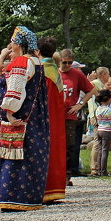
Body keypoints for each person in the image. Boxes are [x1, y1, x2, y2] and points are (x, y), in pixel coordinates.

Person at [0, 27, 50, 212]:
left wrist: (8, 111)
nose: (11, 46)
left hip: (19, 116)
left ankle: (11, 197)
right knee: (31, 154)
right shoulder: (37, 62)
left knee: (14, 155)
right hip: (35, 118)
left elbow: (15, 89)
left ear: (18, 44)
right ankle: (29, 196)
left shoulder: (21, 62)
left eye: (13, 42)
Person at [39, 39, 68, 203]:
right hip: (57, 117)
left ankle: (44, 188)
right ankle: (54, 188)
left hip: (46, 117)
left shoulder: (41, 70)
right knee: (56, 150)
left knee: (45, 151)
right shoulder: (55, 70)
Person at [59, 49, 94, 177]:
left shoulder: (77, 75)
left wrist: (80, 104)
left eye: (70, 62)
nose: (67, 65)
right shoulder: (55, 73)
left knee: (69, 146)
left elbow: (90, 90)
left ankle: (67, 174)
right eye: (65, 63)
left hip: (69, 114)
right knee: (56, 146)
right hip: (56, 114)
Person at [90, 90, 111, 177]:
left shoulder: (98, 109)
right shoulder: (108, 110)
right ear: (108, 99)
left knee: (99, 150)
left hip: (99, 130)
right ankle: (104, 171)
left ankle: (98, 169)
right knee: (105, 150)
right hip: (106, 131)